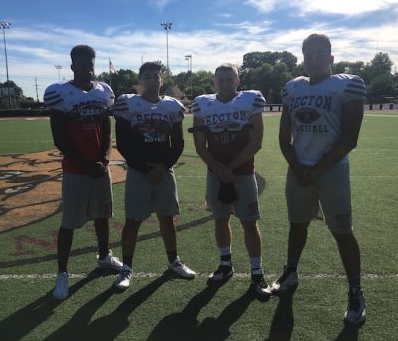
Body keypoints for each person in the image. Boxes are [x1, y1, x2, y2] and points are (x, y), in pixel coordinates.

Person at [272, 33, 367, 324]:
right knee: (296, 225)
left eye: (318, 53)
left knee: (342, 230)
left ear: (331, 57)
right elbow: (284, 138)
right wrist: (299, 167)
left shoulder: (347, 84)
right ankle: (291, 272)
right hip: (299, 168)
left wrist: (319, 168)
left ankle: (355, 290)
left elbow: (350, 138)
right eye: (307, 53)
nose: (312, 58)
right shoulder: (293, 88)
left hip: (332, 169)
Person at [44, 45, 122, 300]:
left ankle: (103, 257)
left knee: (102, 216)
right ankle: (62, 273)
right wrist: (86, 164)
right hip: (76, 169)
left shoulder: (103, 92)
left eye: (90, 61)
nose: (86, 66)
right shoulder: (60, 93)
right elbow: (60, 139)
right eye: (81, 62)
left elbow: (107, 129)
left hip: (99, 167)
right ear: (72, 65)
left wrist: (105, 158)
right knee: (69, 222)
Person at [112, 61, 196, 290]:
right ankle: (126, 268)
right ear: (140, 81)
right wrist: (144, 167)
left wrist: (164, 165)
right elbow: (123, 143)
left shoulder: (172, 106)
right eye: (146, 76)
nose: (151, 80)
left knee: (167, 218)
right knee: (133, 220)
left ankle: (173, 261)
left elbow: (178, 142)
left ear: (162, 80)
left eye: (155, 76)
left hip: (164, 170)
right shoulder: (128, 104)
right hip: (139, 171)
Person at [190, 63, 270, 297]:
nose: (224, 83)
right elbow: (200, 145)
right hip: (216, 172)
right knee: (220, 219)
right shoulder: (203, 103)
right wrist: (218, 168)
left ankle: (257, 271)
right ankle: (225, 265)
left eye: (229, 79)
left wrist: (231, 167)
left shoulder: (250, 100)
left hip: (243, 172)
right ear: (214, 81)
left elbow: (256, 142)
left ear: (238, 81)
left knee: (249, 222)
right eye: (220, 79)